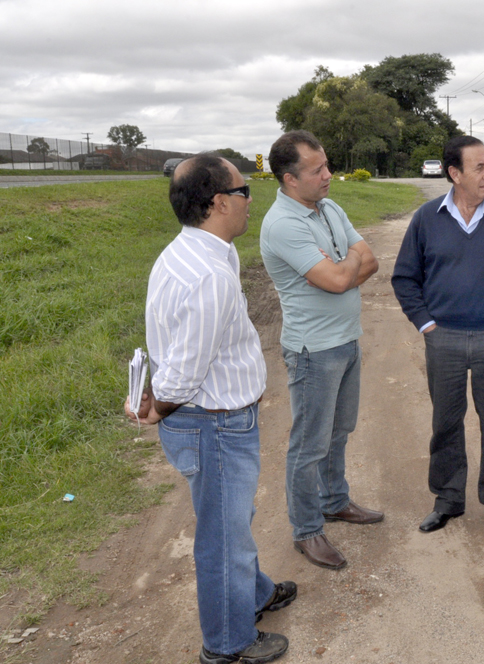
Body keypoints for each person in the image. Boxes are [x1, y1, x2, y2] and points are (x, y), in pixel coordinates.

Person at [126, 154, 295, 664]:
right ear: (220, 202)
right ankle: (227, 643)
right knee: (223, 536)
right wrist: (158, 409)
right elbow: (184, 370)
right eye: (244, 192)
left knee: (232, 520)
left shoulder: (196, 251)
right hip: (214, 425)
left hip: (214, 421)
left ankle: (254, 592)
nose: (250, 200)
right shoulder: (208, 274)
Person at [391, 136, 484, 539]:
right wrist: (426, 325)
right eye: (479, 167)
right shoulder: (427, 218)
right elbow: (405, 278)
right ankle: (448, 499)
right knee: (445, 423)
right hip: (444, 340)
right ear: (455, 174)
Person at [260, 130, 382, 571]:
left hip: (346, 340)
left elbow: (369, 261)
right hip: (313, 351)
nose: (329, 174)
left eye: (327, 164)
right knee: (309, 445)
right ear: (290, 179)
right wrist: (344, 270)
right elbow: (337, 279)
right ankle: (307, 530)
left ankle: (334, 501)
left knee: (339, 431)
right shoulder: (283, 223)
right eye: (317, 170)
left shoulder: (328, 208)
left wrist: (342, 271)